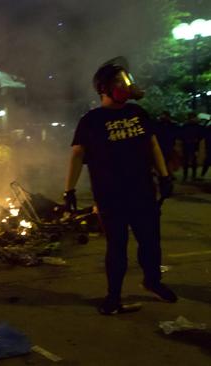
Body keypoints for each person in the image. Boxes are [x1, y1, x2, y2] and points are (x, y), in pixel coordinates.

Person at [63, 57, 177, 315]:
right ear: (104, 87)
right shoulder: (92, 120)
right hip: (110, 196)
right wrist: (68, 190)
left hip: (144, 192)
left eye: (126, 81)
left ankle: (153, 282)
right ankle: (113, 297)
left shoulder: (138, 114)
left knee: (150, 242)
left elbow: (153, 145)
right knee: (117, 247)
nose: (125, 86)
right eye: (118, 82)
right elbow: (77, 155)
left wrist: (165, 176)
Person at [180, 113, 203, 181]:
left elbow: (201, 135)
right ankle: (186, 176)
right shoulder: (186, 126)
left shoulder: (196, 126)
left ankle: (193, 176)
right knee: (186, 161)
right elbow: (181, 135)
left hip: (194, 146)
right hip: (187, 145)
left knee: (193, 161)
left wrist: (197, 139)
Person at [154, 111, 177, 176]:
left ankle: (169, 173)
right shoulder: (158, 124)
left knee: (168, 159)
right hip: (161, 143)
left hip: (168, 144)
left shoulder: (171, 125)